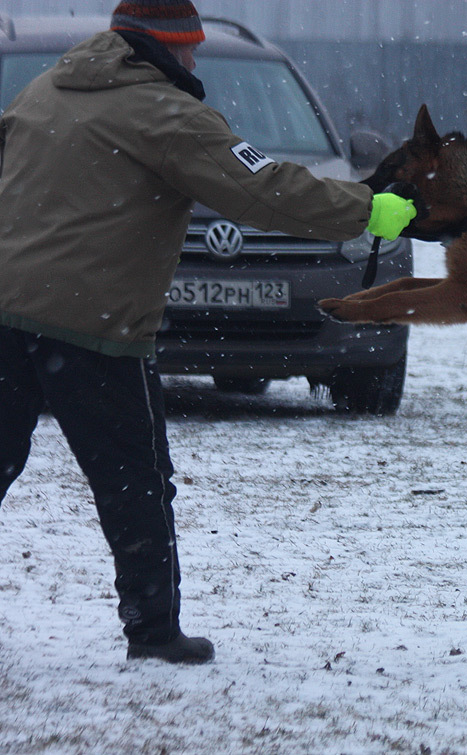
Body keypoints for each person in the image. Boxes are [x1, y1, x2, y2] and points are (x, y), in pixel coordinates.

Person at [0, 0, 416, 664]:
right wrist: (370, 208)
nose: (195, 60)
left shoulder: (46, 89)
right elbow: (264, 189)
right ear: (162, 47)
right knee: (134, 480)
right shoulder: (163, 113)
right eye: (188, 48)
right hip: (92, 326)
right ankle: (154, 628)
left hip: (5, 313)